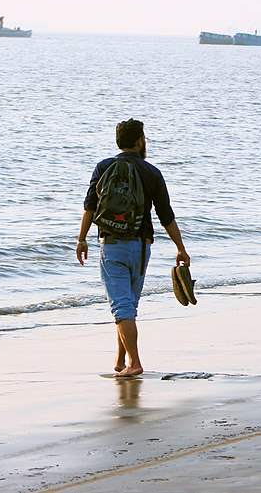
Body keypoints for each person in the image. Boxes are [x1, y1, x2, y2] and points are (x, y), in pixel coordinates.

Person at [76, 119, 190, 377]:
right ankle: (121, 359)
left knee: (122, 307)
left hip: (111, 245)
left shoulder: (103, 167)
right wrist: (180, 248)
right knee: (127, 305)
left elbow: (90, 207)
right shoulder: (151, 172)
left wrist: (81, 239)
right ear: (139, 141)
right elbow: (166, 215)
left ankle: (134, 363)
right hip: (140, 248)